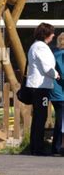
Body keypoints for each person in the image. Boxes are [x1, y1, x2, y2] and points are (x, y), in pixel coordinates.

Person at [26, 23, 60, 156]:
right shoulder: (41, 47)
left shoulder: (35, 46)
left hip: (38, 86)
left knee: (38, 117)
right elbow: (47, 67)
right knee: (41, 117)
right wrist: (57, 75)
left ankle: (35, 146)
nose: (53, 36)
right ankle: (37, 148)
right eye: (51, 33)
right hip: (40, 87)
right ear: (46, 34)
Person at [49, 32, 64, 156]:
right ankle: (57, 147)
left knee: (60, 119)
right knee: (61, 120)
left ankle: (57, 146)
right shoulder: (62, 55)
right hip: (60, 93)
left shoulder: (55, 54)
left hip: (56, 91)